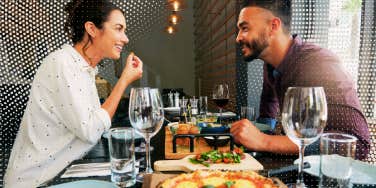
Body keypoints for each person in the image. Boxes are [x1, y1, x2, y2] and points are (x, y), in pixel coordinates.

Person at [4, 0, 143, 187]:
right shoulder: (62, 64)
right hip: (37, 182)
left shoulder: (82, 69)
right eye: (118, 29)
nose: (125, 38)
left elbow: (94, 125)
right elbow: (91, 131)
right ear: (92, 29)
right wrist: (124, 80)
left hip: (62, 173)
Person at [230, 0, 370, 160]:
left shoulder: (319, 63)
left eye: (245, 28)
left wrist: (265, 141)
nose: (238, 38)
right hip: (291, 166)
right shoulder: (270, 65)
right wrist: (260, 135)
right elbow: (269, 104)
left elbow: (359, 146)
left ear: (273, 26)